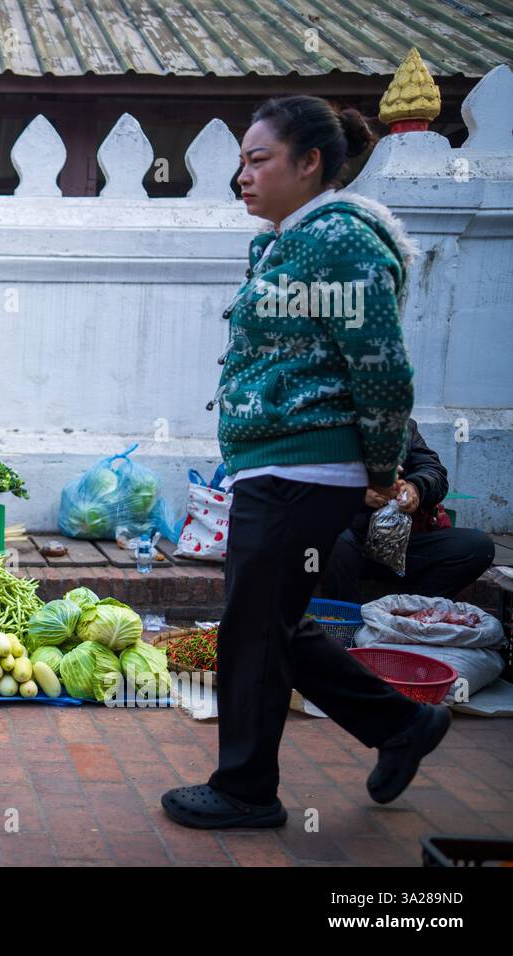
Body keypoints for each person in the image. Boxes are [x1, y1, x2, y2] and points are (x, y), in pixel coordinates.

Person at [161, 96, 451, 830]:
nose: (243, 178)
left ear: (310, 162)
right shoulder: (286, 242)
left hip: (305, 473)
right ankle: (401, 726)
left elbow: (382, 368)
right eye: (240, 163)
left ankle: (246, 790)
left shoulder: (339, 240)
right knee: (275, 625)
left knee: (255, 631)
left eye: (258, 161)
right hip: (277, 468)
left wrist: (385, 470)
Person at [323, 418, 495, 602]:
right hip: (343, 544)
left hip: (397, 545)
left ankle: (407, 611)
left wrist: (416, 489)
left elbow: (433, 471)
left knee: (477, 546)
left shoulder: (404, 427)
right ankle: (347, 619)